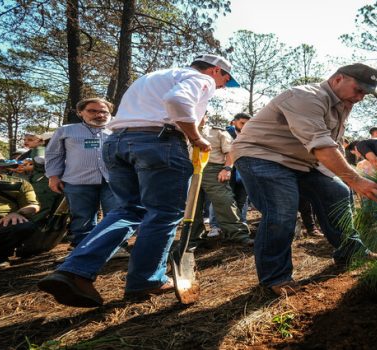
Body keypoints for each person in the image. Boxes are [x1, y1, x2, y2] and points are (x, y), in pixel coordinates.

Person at [38, 53, 239, 307]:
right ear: (215, 71)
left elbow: (166, 104)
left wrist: (195, 121)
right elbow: (177, 101)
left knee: (129, 209)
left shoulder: (154, 77)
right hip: (158, 143)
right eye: (225, 80)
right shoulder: (201, 79)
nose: (222, 87)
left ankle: (74, 270)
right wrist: (196, 137)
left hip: (117, 143)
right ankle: (146, 279)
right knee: (164, 213)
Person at [231, 63, 377, 295]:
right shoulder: (306, 97)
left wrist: (346, 182)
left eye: (366, 93)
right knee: (282, 210)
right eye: (358, 90)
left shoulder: (343, 104)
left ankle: (351, 252)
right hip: (262, 155)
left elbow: (333, 145)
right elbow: (321, 145)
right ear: (338, 79)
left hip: (301, 162)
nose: (361, 97)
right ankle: (274, 277)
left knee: (337, 193)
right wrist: (356, 180)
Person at [45, 97, 121, 248]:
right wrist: (53, 176)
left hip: (114, 181)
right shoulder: (66, 130)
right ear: (80, 112)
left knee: (116, 214)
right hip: (77, 181)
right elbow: (54, 154)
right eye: (92, 111)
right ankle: (82, 249)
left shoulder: (120, 129)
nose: (99, 115)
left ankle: (115, 247)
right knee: (82, 217)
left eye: (103, 112)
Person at [190, 115, 252, 244]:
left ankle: (238, 235)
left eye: (201, 113)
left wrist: (227, 169)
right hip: (189, 170)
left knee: (225, 201)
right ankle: (194, 238)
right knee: (192, 206)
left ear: (206, 117)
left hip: (213, 170)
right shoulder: (182, 131)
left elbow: (230, 151)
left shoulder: (217, 132)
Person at [0, 151, 40, 270]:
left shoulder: (20, 184)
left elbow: (33, 205)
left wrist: (18, 213)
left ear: (3, 167)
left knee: (23, 226)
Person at [225, 112, 251, 222]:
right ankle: (217, 226)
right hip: (227, 169)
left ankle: (241, 223)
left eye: (247, 124)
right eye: (242, 123)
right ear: (234, 122)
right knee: (226, 198)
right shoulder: (225, 133)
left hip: (245, 171)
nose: (244, 126)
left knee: (243, 198)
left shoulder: (251, 135)